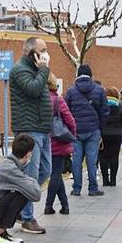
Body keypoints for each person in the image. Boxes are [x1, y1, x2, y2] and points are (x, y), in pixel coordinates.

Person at [8, 38, 52, 233]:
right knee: (31, 175)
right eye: (43, 50)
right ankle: (27, 217)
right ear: (31, 52)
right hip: (29, 128)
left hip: (42, 128)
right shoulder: (20, 70)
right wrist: (43, 70)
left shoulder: (36, 70)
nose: (46, 54)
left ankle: (19, 204)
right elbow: (33, 90)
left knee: (46, 170)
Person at [63, 63, 107, 196]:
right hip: (93, 130)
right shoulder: (99, 90)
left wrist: (70, 127)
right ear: (90, 75)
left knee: (76, 161)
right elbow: (105, 111)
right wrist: (100, 127)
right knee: (91, 160)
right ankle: (93, 188)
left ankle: (76, 188)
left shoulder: (71, 91)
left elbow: (65, 111)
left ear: (77, 75)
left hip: (76, 131)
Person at [45, 75, 76, 215]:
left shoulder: (39, 100)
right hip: (58, 140)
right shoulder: (58, 100)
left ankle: (65, 205)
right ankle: (48, 205)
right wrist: (72, 135)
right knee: (56, 173)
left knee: (56, 173)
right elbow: (70, 120)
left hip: (44, 140)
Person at [100, 93, 122, 187]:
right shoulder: (119, 107)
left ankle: (105, 180)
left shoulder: (102, 107)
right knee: (114, 156)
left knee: (103, 156)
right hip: (116, 134)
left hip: (103, 134)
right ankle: (113, 180)